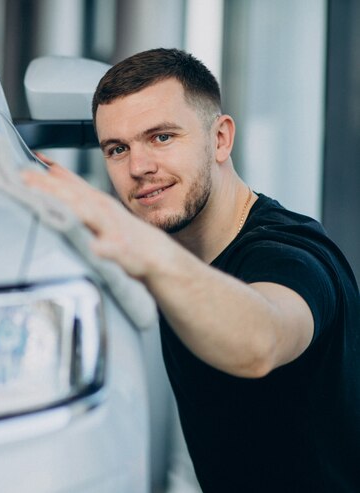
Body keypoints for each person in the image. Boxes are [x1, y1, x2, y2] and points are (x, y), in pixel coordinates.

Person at [22, 48, 359, 492]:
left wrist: (137, 244)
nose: (139, 168)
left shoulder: (294, 253)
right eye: (117, 149)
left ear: (219, 139)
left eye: (162, 137)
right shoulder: (165, 247)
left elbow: (262, 339)